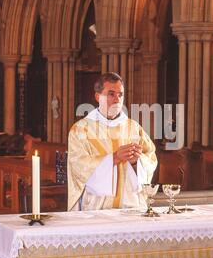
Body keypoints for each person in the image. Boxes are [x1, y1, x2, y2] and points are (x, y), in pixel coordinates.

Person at [67, 72, 158, 211]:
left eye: (120, 94)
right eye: (111, 94)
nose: (117, 99)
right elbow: (78, 167)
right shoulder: (81, 130)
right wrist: (114, 158)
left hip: (131, 206)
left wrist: (136, 162)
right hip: (97, 208)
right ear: (98, 97)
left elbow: (151, 158)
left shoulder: (133, 128)